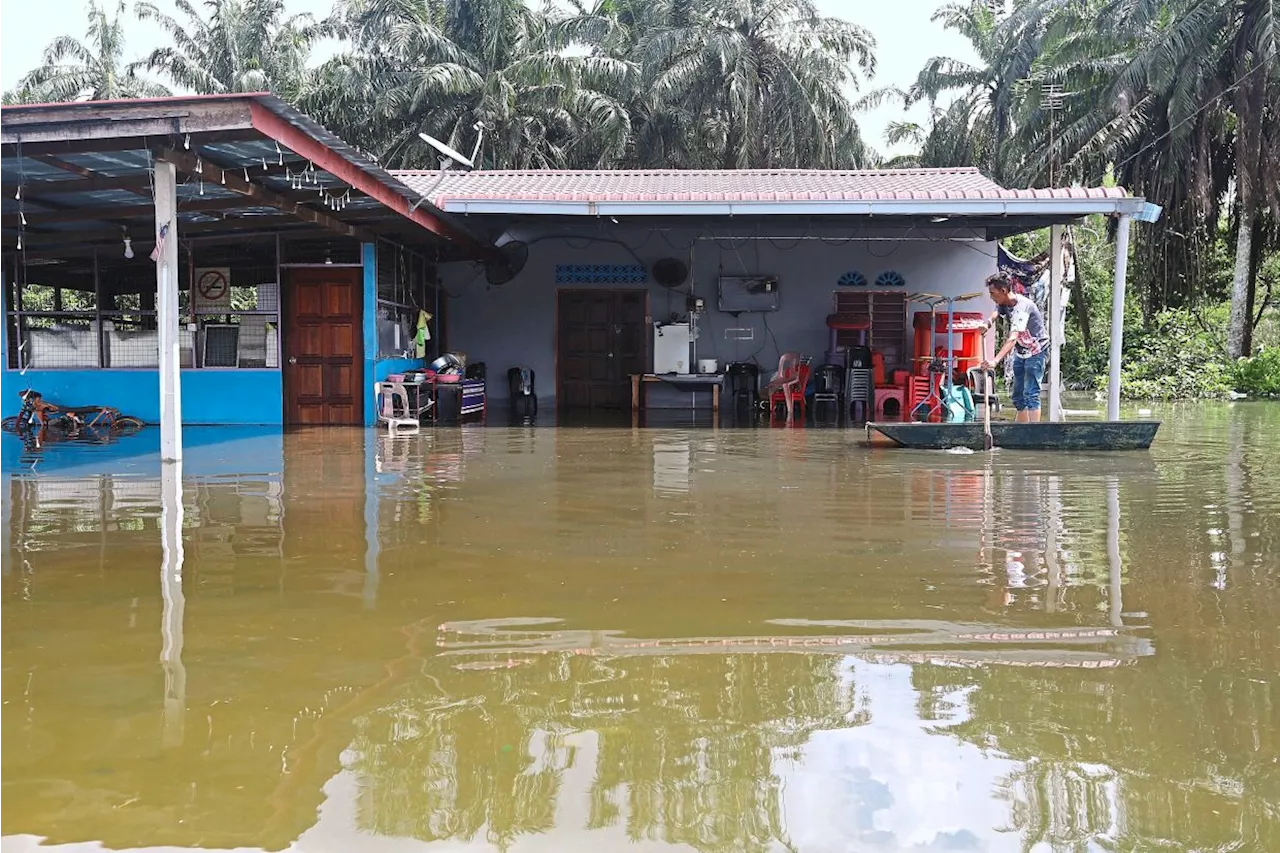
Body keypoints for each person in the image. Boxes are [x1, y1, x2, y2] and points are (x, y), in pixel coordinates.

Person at [980, 273, 1049, 423]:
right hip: (1022, 352)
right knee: (1018, 396)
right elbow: (997, 310)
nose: (991, 296)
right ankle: (1021, 430)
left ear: (1004, 291)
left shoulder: (1022, 307)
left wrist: (995, 361)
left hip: (1036, 351)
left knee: (1031, 393)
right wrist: (988, 323)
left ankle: (1033, 432)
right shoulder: (1005, 302)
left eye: (993, 293)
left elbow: (1013, 338)